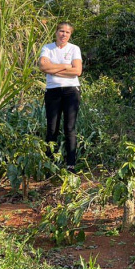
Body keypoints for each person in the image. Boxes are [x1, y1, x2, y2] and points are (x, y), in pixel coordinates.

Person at [39, 22, 83, 171]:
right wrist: (66, 66)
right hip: (53, 91)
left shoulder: (74, 49)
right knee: (52, 128)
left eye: (67, 32)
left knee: (69, 128)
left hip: (71, 91)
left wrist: (53, 69)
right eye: (61, 31)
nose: (64, 34)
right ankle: (50, 163)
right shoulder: (47, 48)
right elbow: (43, 67)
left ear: (70, 35)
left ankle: (70, 164)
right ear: (56, 32)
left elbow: (77, 71)